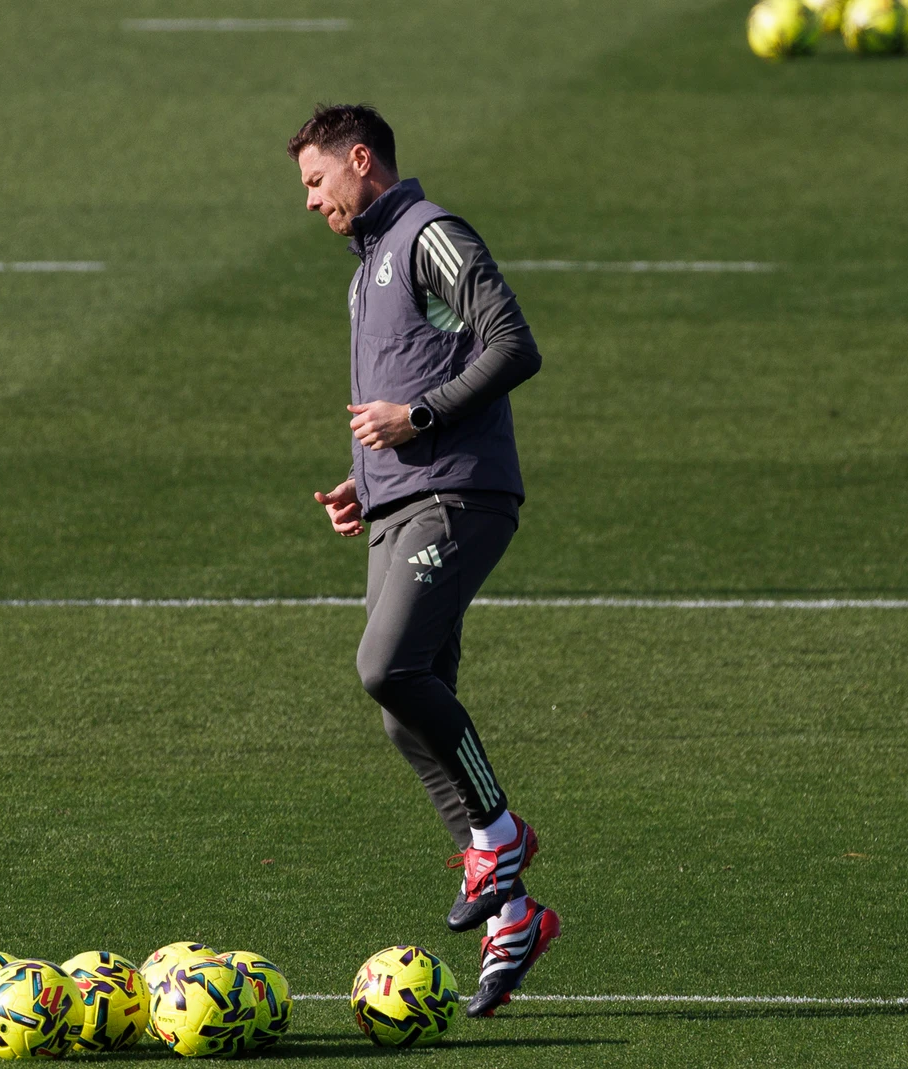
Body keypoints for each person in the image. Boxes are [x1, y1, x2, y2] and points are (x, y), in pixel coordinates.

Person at [288, 103, 558, 1016]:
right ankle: (513, 914)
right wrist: (365, 480)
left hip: (461, 496)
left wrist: (421, 421)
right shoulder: (368, 270)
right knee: (410, 715)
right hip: (401, 505)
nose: (312, 202)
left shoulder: (428, 234)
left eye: (317, 181)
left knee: (386, 666)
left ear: (361, 160)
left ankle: (502, 837)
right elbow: (402, 384)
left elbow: (513, 343)